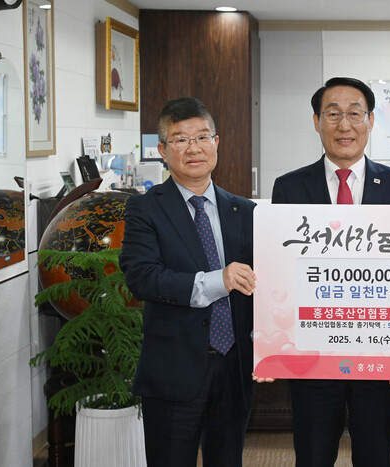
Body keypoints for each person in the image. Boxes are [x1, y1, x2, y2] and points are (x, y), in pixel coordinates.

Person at [271, 77, 390, 467]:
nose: (344, 125)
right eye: (333, 114)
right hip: (312, 350)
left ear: (370, 120)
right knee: (313, 454)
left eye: (355, 113)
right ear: (316, 121)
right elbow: (280, 271)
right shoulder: (288, 187)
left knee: (375, 455)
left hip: (379, 351)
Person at [120, 97, 257, 467]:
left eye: (202, 137)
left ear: (217, 142)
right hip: (174, 370)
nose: (193, 148)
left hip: (235, 368)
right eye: (180, 139)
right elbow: (142, 278)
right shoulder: (145, 208)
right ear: (163, 151)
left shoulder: (244, 211)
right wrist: (218, 280)